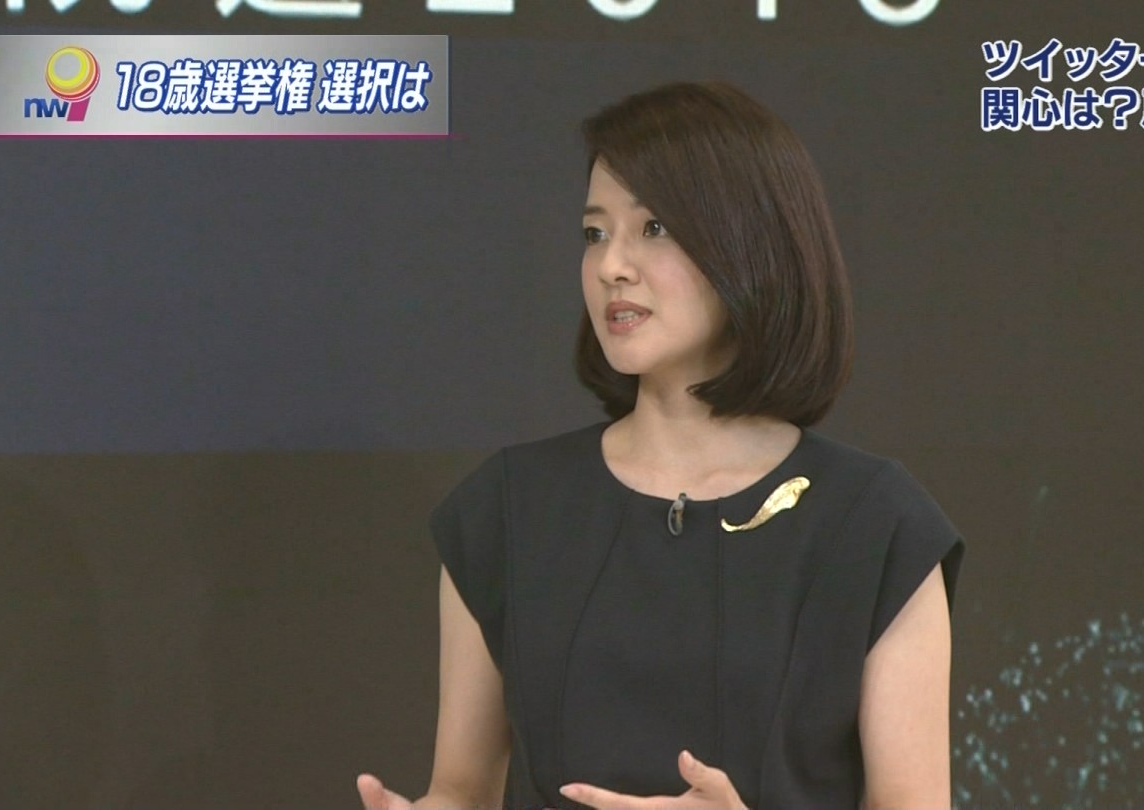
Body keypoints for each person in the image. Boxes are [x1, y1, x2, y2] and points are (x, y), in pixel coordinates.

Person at [357, 80, 965, 810]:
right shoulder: (508, 508)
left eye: (653, 228)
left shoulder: (877, 525)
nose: (611, 265)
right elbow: (461, 790)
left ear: (752, 244)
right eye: (595, 234)